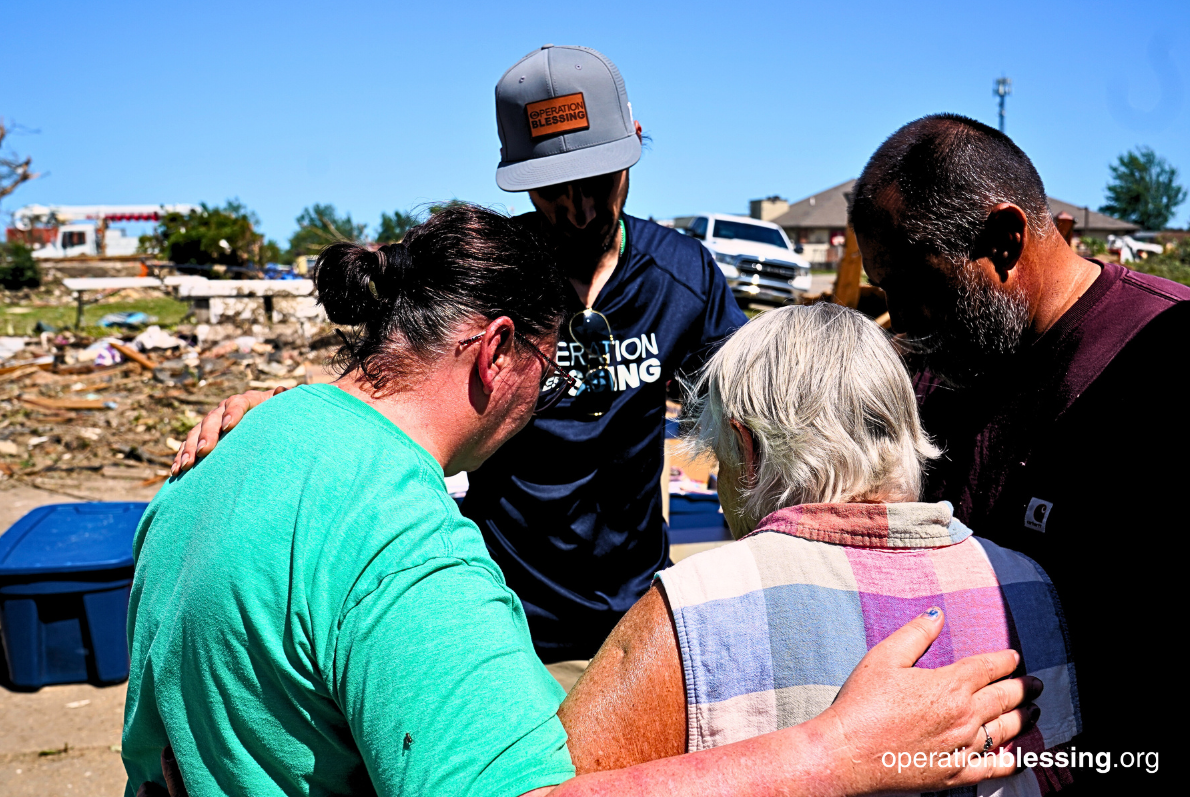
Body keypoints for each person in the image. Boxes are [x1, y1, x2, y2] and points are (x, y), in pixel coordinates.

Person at [128, 205, 1041, 797]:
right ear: (495, 354)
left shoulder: (225, 457)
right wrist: (830, 753)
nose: (558, 390)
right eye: (550, 360)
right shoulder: (412, 556)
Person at [173, 44, 749, 672]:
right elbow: (384, 390)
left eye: (599, 182)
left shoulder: (683, 274)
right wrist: (281, 411)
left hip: (640, 621)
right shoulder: (488, 273)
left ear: (634, 142)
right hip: (510, 622)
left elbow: (754, 405)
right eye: (554, 190)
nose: (580, 210)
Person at [556, 304, 1078, 795]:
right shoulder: (1029, 585)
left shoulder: (696, 605)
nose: (719, 486)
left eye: (720, 457)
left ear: (747, 448)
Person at [847, 113, 1184, 790]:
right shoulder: (937, 373)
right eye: (886, 294)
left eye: (917, 287)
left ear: (1005, 240)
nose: (902, 320)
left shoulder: (1162, 363)